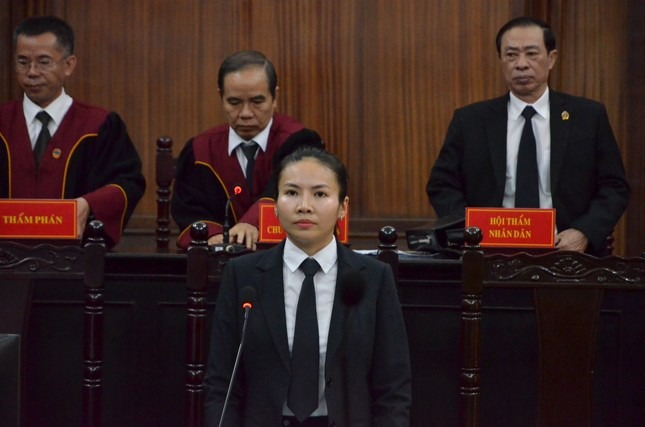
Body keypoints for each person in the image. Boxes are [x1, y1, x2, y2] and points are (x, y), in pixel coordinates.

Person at [203, 147, 412, 426]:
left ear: (343, 207)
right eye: (291, 193)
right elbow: (221, 383)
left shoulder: (374, 278)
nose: (304, 206)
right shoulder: (243, 276)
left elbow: (393, 388)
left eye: (320, 194)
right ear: (275, 205)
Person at [426, 16, 629, 256]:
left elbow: (614, 187)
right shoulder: (470, 120)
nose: (521, 64)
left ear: (551, 58)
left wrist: (583, 232)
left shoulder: (588, 116)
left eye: (531, 54)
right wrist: (472, 230)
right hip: (491, 254)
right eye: (511, 55)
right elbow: (441, 185)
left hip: (566, 253)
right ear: (500, 60)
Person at [0, 15, 145, 248]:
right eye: (23, 62)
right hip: (5, 259)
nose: (32, 72)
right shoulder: (3, 122)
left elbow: (128, 183)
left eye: (44, 62)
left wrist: (89, 204)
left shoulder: (99, 125)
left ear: (68, 65)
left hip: (76, 258)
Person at [171, 50, 323, 250]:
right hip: (220, 259)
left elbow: (301, 196)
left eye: (257, 102)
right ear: (221, 97)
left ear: (274, 97)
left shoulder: (299, 142)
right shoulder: (200, 150)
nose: (245, 113)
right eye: (234, 103)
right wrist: (214, 236)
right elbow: (188, 209)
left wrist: (252, 223)